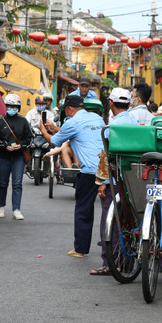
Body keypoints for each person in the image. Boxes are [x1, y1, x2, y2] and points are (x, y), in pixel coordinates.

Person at [40, 94, 105, 258]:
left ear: (70, 109)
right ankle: (110, 248)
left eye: (65, 111)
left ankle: (80, 249)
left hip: (89, 171)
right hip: (106, 168)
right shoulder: (97, 118)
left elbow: (54, 142)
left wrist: (43, 130)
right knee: (109, 209)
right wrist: (57, 129)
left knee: (83, 210)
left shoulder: (72, 122)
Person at [91, 90, 136, 274]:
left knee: (110, 222)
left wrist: (103, 182)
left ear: (111, 103)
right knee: (128, 221)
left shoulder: (113, 126)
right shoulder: (135, 123)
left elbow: (107, 156)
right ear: (129, 104)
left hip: (115, 180)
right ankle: (126, 262)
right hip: (133, 180)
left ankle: (110, 263)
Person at [0, 93, 33, 220]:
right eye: (9, 106)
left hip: (18, 157)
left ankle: (16, 210)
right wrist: (4, 146)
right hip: (3, 157)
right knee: (3, 183)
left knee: (17, 184)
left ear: (18, 107)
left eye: (14, 107)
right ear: (5, 106)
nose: (12, 109)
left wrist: (21, 145)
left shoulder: (23, 121)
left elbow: (30, 138)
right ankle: (1, 207)